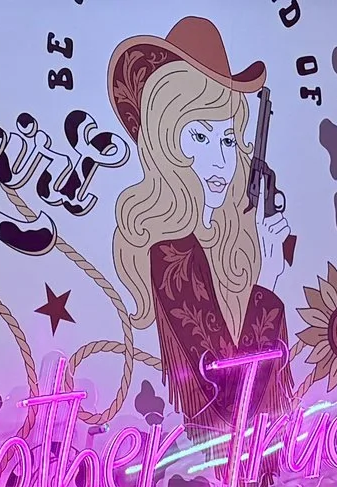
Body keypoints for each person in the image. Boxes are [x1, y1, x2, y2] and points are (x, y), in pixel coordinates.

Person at [108, 18, 294, 434]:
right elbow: (228, 394)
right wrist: (266, 284)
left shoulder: (224, 245)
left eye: (228, 141)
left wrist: (268, 272)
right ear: (165, 143)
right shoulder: (172, 256)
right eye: (199, 137)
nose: (219, 162)